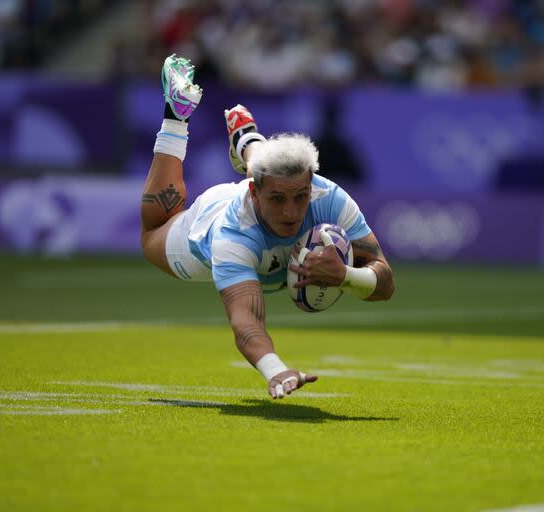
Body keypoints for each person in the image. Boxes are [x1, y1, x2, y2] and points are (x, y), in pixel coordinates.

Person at [140, 55, 395, 399]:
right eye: (277, 200)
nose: (291, 212)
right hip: (204, 228)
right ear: (253, 191)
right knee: (152, 230)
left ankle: (248, 142)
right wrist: (276, 370)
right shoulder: (233, 235)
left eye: (300, 197)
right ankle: (176, 116)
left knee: (277, 174)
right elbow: (245, 321)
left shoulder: (328, 196)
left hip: (266, 187)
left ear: (312, 185)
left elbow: (386, 282)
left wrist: (346, 276)